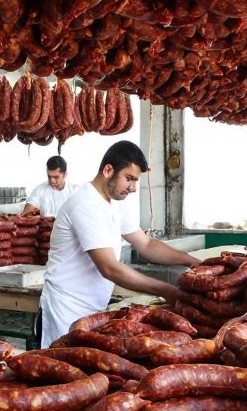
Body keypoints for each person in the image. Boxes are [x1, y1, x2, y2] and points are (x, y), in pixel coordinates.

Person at [38, 141, 198, 346]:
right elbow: (110, 268)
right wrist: (166, 290)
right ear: (108, 170)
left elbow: (147, 244)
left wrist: (192, 262)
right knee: (62, 373)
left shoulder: (114, 204)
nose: (132, 188)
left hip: (93, 310)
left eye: (135, 181)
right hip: (65, 310)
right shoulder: (85, 204)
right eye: (129, 179)